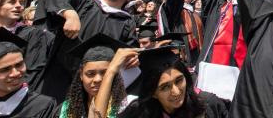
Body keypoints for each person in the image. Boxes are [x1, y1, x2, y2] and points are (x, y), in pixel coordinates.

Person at [34, 0, 140, 102]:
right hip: (59, 75)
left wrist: (133, 57)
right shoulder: (84, 2)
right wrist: (69, 13)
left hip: (93, 85)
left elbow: (131, 48)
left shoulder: (127, 22)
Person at [96, 47, 227, 118]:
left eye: (179, 80)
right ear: (152, 93)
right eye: (165, 87)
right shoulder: (138, 113)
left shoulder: (208, 105)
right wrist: (111, 71)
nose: (176, 91)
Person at [57, 34, 136, 118]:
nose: (97, 79)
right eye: (90, 74)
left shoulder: (128, 106)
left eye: (105, 73)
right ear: (81, 75)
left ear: (114, 74)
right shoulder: (67, 109)